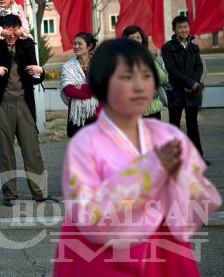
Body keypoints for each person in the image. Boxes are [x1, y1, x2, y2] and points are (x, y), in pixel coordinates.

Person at [52, 39, 221, 276]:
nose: (140, 86)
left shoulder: (168, 137)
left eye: (146, 75)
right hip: (100, 257)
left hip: (162, 252)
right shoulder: (85, 143)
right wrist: (148, 174)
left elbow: (197, 207)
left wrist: (183, 185)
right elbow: (86, 215)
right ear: (102, 84)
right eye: (127, 77)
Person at [0, 14, 58, 207]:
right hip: (2, 103)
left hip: (24, 102)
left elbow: (35, 77)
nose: (11, 33)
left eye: (15, 28)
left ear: (20, 28)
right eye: (7, 28)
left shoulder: (26, 45)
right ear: (0, 29)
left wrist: (42, 73)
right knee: (5, 151)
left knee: (32, 150)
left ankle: (41, 193)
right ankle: (9, 193)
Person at [162, 16, 210, 165]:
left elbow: (198, 67)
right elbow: (172, 70)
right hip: (176, 92)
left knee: (193, 125)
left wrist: (193, 84)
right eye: (180, 27)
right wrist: (189, 83)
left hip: (192, 92)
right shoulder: (168, 48)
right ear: (174, 29)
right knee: (174, 126)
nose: (184, 30)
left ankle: (197, 156)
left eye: (186, 27)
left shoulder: (194, 47)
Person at [122, 25, 168, 120]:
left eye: (138, 37)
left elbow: (162, 78)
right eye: (131, 38)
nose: (135, 40)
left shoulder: (149, 57)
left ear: (142, 40)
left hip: (152, 108)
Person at [59, 32, 100, 138]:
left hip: (97, 113)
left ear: (89, 46)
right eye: (74, 44)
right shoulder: (68, 66)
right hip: (77, 115)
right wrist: (91, 94)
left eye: (79, 44)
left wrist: (82, 87)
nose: (76, 46)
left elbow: (102, 87)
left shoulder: (100, 63)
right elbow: (68, 90)